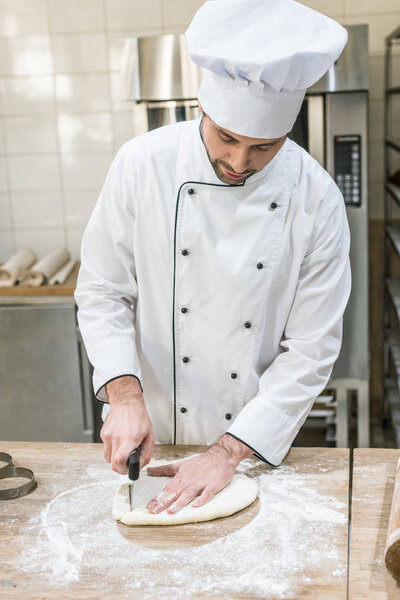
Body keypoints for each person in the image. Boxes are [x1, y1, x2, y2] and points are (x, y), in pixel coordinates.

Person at [74, 0, 351, 516]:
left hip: (248, 445)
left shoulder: (317, 198)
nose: (238, 162)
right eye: (227, 137)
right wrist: (125, 397)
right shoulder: (142, 165)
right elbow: (103, 291)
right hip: (148, 431)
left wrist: (227, 453)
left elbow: (311, 350)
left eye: (264, 147)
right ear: (203, 109)